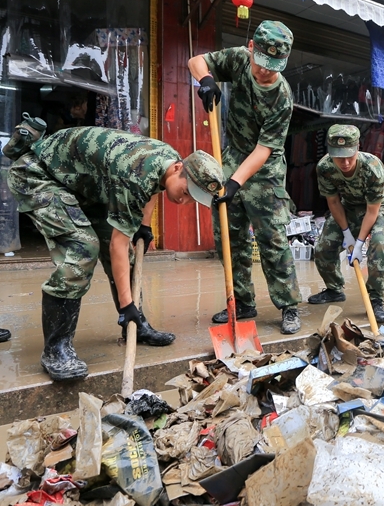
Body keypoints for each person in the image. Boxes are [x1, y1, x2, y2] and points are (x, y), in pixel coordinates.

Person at [2, 116, 224, 381]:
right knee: (83, 248)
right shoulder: (135, 172)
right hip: (39, 174)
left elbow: (154, 187)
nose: (185, 201)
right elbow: (118, 242)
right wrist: (126, 302)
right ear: (179, 168)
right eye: (187, 192)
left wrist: (144, 225)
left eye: (193, 200)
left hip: (83, 183)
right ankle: (56, 348)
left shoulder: (168, 160)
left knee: (127, 256)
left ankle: (134, 325)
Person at [189, 20, 302, 335]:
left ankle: (288, 305)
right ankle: (241, 302)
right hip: (233, 155)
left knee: (272, 238)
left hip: (264, 168)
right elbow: (195, 62)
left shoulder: (282, 96)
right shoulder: (238, 59)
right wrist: (207, 80)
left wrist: (235, 183)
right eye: (261, 63)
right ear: (251, 48)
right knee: (229, 235)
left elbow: (264, 150)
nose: (265, 72)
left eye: (273, 67)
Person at [308, 125, 384, 325]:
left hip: (379, 207)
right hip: (347, 207)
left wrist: (359, 243)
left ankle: (376, 299)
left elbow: (373, 211)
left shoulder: (373, 167)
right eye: (339, 157)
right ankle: (334, 289)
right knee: (323, 247)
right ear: (330, 153)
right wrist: (346, 233)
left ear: (358, 148)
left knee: (380, 245)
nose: (345, 163)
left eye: (350, 156)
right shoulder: (325, 168)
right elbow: (334, 202)